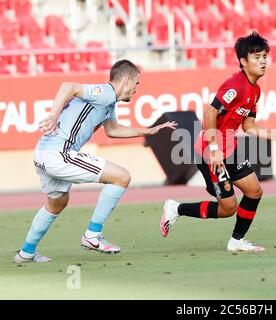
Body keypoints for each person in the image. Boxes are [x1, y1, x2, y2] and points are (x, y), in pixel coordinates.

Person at [15, 59, 177, 263]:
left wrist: (149, 130)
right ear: (126, 80)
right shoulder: (106, 92)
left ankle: (26, 252)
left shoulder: (108, 103)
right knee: (121, 177)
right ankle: (92, 235)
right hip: (59, 153)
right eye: (136, 83)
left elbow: (113, 130)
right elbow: (69, 86)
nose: (136, 90)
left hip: (43, 153)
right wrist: (54, 115)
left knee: (57, 203)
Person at [160, 31, 276, 252]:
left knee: (254, 191)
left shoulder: (255, 90)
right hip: (210, 151)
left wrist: (274, 134)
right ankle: (175, 209)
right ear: (243, 62)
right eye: (257, 57)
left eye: (264, 57)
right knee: (228, 208)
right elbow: (209, 114)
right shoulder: (235, 85)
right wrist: (214, 150)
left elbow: (248, 125)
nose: (262, 62)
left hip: (229, 149)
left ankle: (237, 241)